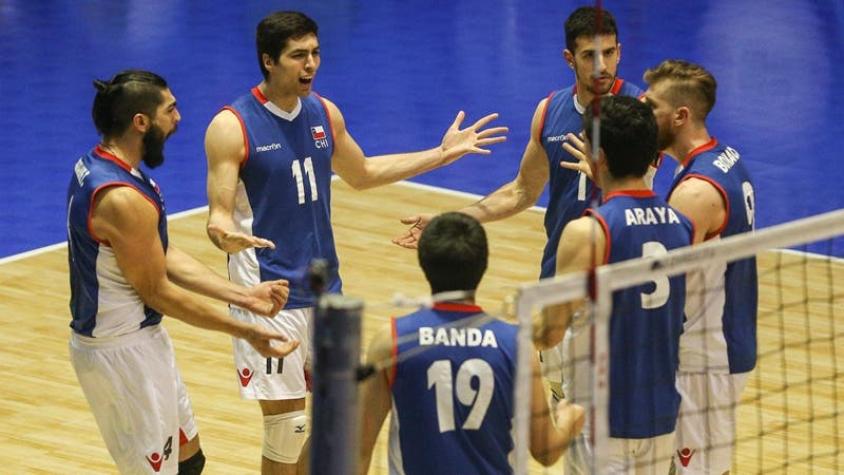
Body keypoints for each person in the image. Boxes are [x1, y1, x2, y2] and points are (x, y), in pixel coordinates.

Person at [203, 11, 508, 474]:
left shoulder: (324, 113)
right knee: (287, 432)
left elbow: (362, 173)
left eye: (315, 53)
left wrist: (440, 155)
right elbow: (219, 215)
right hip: (270, 298)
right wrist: (224, 237)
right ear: (268, 60)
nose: (311, 65)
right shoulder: (231, 126)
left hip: (326, 294)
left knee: (339, 418)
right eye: (297, 56)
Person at [393, 6, 648, 398]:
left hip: (620, 283)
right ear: (569, 59)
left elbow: (649, 198)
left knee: (625, 415)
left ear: (620, 51)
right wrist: (453, 218)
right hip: (560, 281)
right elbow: (520, 192)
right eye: (588, 56)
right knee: (567, 405)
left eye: (609, 53)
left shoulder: (641, 111)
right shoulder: (550, 112)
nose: (602, 65)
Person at [67, 70, 299, 474]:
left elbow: (164, 254)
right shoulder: (122, 198)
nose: (178, 118)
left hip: (142, 339)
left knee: (190, 461)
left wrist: (244, 296)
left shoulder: (106, 166)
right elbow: (159, 291)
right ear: (141, 122)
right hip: (119, 352)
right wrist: (247, 329)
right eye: (170, 110)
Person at [536, 96, 693, 474]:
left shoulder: (587, 231)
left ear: (598, 156)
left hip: (601, 417)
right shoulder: (681, 223)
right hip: (660, 414)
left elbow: (551, 332)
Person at [359, 212, 585, 474]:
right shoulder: (516, 345)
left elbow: (359, 449)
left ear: (423, 263)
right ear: (483, 265)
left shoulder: (392, 340)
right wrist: (570, 418)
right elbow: (545, 452)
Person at [642, 60, 757, 475]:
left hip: (705, 357)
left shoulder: (695, 192)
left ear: (680, 116)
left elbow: (655, 280)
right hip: (722, 337)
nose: (640, 108)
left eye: (650, 104)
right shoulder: (724, 156)